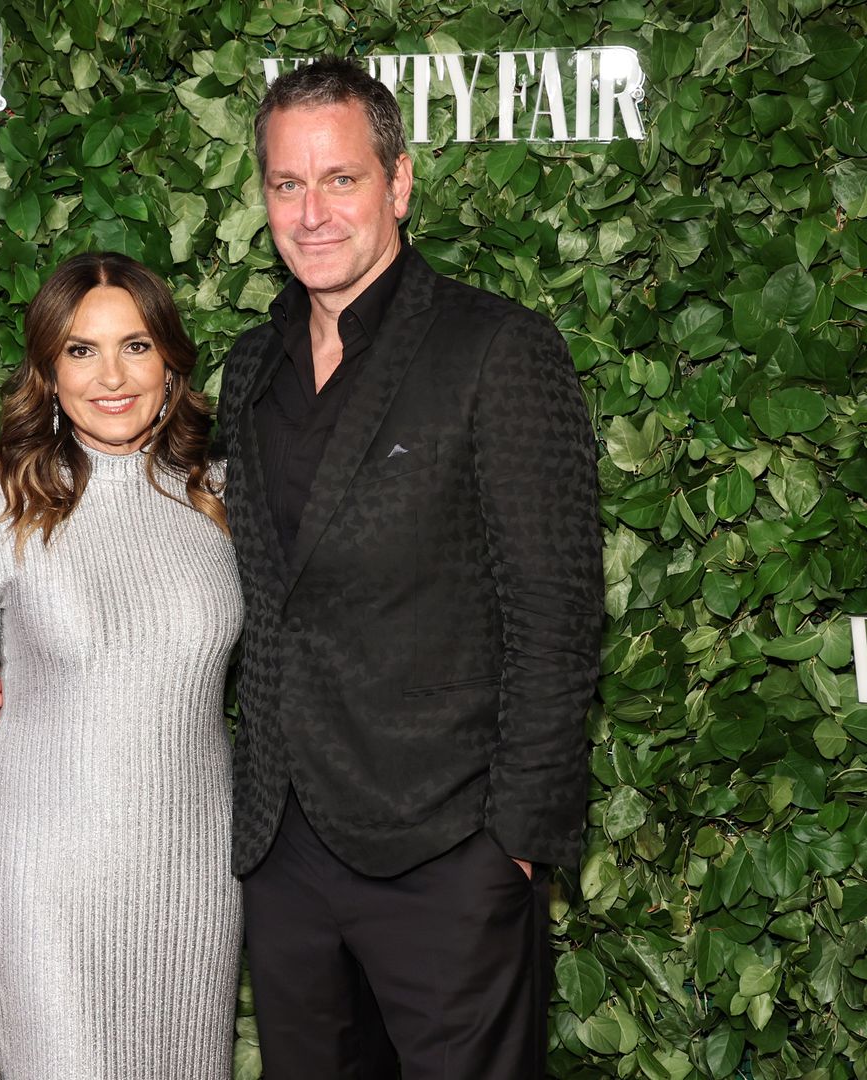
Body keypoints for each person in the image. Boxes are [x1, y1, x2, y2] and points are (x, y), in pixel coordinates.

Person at [215, 58, 603, 1079]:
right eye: (287, 185)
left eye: (340, 178)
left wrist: (511, 848)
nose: (312, 213)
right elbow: (241, 583)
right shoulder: (249, 368)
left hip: (447, 855)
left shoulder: (497, 350)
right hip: (284, 852)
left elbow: (556, 619)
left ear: (399, 182)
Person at [0, 252, 242, 1079]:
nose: (112, 376)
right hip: (40, 885)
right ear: (49, 373)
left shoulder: (221, 497)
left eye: (136, 345)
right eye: (81, 351)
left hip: (194, 884)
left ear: (171, 362)